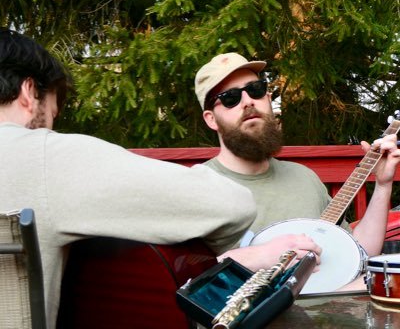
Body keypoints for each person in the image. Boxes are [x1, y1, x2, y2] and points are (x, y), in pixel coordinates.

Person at [0, 30, 262, 329]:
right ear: (29, 93)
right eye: (51, 114)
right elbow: (232, 204)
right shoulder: (46, 155)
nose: (50, 126)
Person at [194, 52, 400, 287]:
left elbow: (360, 251)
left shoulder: (303, 177)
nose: (248, 101)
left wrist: (383, 184)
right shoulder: (196, 187)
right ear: (211, 119)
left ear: (268, 99)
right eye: (230, 98)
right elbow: (180, 278)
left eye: (256, 89)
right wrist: (260, 256)